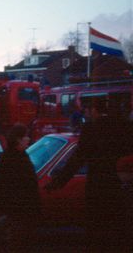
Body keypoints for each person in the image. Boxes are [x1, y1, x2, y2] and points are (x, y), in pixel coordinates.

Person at [46, 104, 133, 252]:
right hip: (116, 185)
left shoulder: (91, 129)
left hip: (96, 186)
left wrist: (58, 182)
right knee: (117, 229)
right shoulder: (123, 128)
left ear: (94, 110)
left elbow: (77, 160)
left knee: (96, 230)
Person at [0, 123, 41, 251]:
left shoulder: (18, 156)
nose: (29, 139)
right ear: (18, 139)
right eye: (26, 136)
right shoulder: (12, 158)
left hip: (22, 213)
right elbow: (6, 187)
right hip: (18, 213)